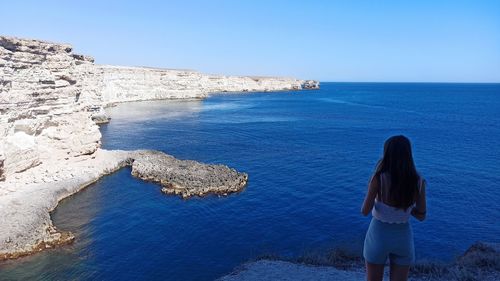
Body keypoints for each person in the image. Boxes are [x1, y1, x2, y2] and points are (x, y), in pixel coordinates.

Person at [361, 135, 427, 281]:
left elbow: (365, 211)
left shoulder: (378, 178)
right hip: (403, 238)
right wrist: (407, 209)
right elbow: (422, 215)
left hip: (378, 236)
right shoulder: (418, 180)